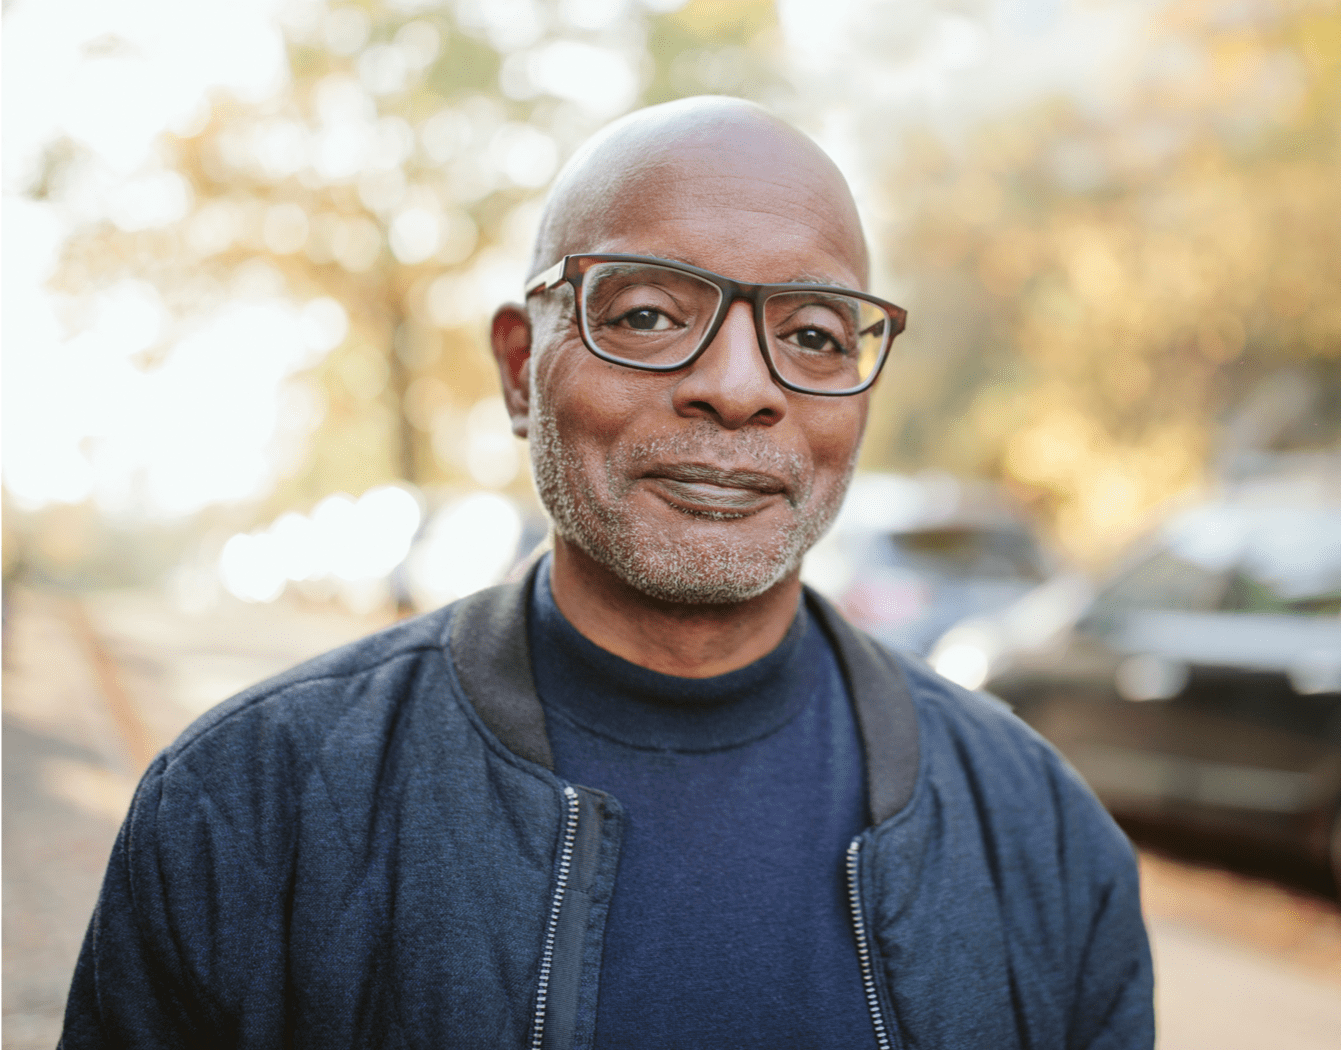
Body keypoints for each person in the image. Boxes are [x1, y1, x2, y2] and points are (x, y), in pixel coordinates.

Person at [61, 97, 1153, 1049]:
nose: (737, 388)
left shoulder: (1043, 839)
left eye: (814, 333)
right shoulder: (249, 810)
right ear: (520, 367)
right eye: (644, 315)